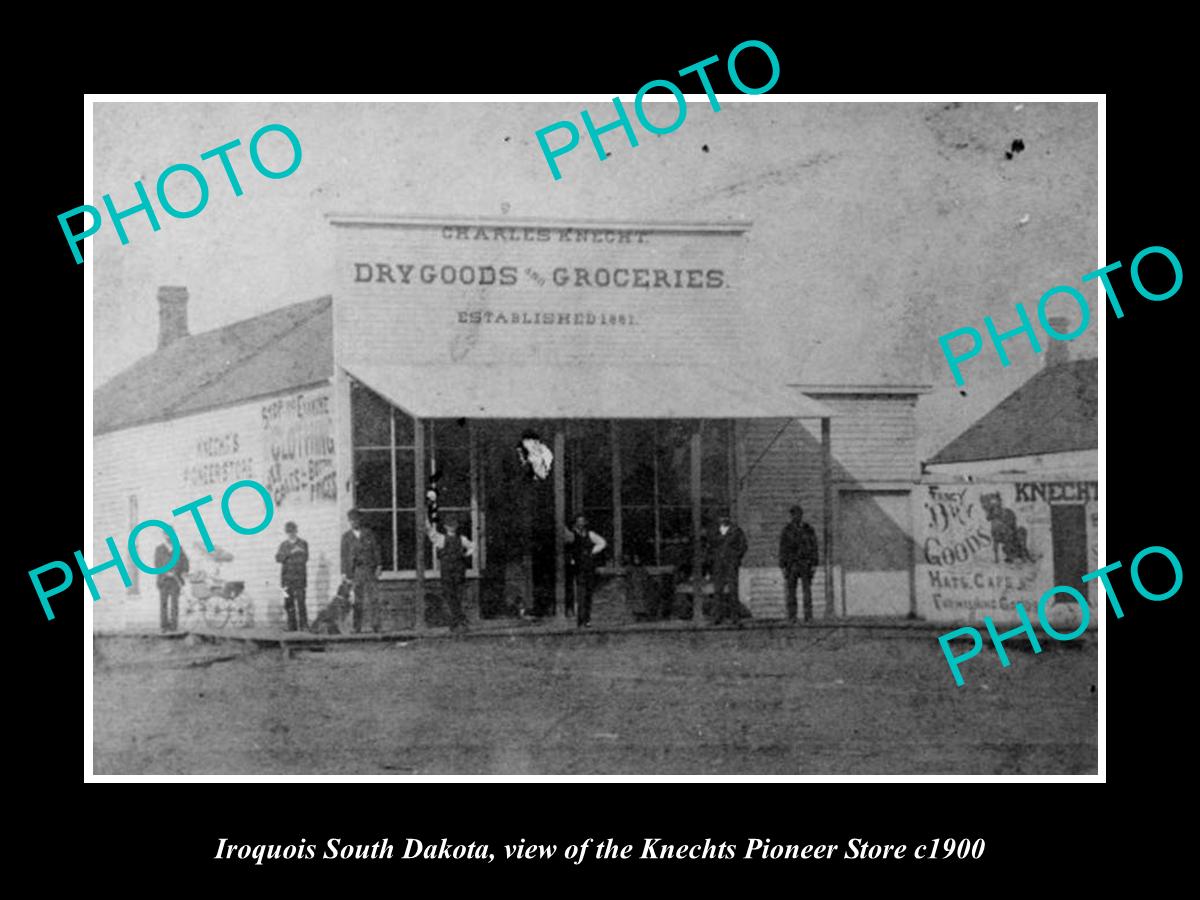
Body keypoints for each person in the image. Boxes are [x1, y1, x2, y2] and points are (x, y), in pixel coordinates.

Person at [427, 514, 475, 632]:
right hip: (447, 570)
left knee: (458, 595)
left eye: (454, 525)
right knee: (449, 595)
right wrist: (426, 520)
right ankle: (457, 620)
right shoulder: (441, 538)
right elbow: (430, 533)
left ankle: (458, 621)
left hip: (459, 569)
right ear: (445, 527)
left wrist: (465, 555)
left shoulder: (462, 539)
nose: (452, 528)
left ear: (457, 526)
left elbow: (473, 546)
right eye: (449, 525)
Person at [340, 508, 382, 633]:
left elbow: (376, 550)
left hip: (369, 569)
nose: (353, 522)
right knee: (357, 600)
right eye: (351, 520)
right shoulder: (346, 537)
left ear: (360, 520)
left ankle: (376, 625)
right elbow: (343, 556)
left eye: (356, 520)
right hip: (356, 571)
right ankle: (356, 626)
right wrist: (344, 573)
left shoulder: (369, 534)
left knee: (374, 598)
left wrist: (379, 565)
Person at [563, 514, 607, 627]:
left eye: (583, 522)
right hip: (577, 568)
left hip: (588, 566)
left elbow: (602, 543)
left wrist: (592, 551)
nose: (581, 524)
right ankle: (580, 620)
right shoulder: (571, 535)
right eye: (578, 522)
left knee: (588, 594)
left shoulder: (590, 534)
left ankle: (586, 619)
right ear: (575, 523)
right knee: (580, 594)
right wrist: (572, 559)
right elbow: (567, 548)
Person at [779, 505, 820, 622]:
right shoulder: (787, 530)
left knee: (807, 591)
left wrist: (814, 564)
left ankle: (808, 616)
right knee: (791, 591)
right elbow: (782, 549)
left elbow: (814, 547)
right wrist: (782, 566)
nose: (796, 516)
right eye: (794, 514)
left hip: (805, 563)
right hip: (791, 565)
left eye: (798, 514)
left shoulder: (808, 529)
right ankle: (792, 616)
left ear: (801, 515)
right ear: (791, 516)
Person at [709, 515, 748, 627]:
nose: (723, 519)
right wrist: (713, 558)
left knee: (733, 591)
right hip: (718, 565)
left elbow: (743, 546)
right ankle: (717, 617)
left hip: (731, 564)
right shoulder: (714, 531)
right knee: (718, 591)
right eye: (721, 517)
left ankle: (735, 617)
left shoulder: (736, 531)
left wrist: (735, 557)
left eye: (725, 517)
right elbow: (709, 546)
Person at [275, 521, 309, 631]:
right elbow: (278, 558)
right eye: (288, 532)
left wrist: (292, 555)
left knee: (301, 601)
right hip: (286, 580)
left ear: (296, 531)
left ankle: (304, 625)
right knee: (288, 602)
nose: (291, 534)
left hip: (299, 578)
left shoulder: (303, 543)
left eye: (292, 531)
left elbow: (304, 558)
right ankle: (291, 626)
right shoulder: (283, 545)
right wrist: (291, 553)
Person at [154, 534, 189, 632]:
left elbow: (185, 561)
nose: (168, 536)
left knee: (174, 604)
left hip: (175, 581)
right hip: (163, 580)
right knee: (163, 604)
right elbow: (157, 564)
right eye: (166, 534)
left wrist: (183, 571)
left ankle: (174, 626)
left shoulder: (179, 548)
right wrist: (166, 572)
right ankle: (164, 626)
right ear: (163, 535)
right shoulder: (159, 549)